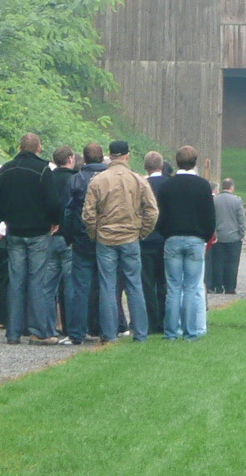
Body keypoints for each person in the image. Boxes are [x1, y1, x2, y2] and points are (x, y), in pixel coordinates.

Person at [82, 140, 159, 342]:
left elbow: (88, 214)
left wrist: (95, 233)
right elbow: (152, 211)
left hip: (105, 238)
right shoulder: (138, 180)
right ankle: (141, 334)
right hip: (131, 237)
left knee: (108, 286)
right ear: (127, 155)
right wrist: (142, 232)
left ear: (110, 155)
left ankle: (109, 334)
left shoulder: (98, 181)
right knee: (134, 285)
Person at [0, 133, 63, 345]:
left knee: (16, 281)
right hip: (38, 232)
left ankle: (13, 332)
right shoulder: (43, 170)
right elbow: (52, 202)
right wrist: (54, 221)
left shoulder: (5, 170)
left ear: (20, 147)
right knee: (37, 281)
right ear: (38, 148)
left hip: (14, 232)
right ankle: (37, 330)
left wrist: (7, 220)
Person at [156, 146, 215, 341]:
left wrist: (165, 233)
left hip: (172, 238)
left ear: (177, 161)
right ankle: (190, 332)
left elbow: (160, 216)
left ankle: (171, 332)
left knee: (173, 287)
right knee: (191, 287)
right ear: (195, 162)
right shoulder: (203, 186)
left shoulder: (166, 186)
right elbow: (209, 217)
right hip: (196, 239)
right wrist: (205, 237)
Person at [64, 143, 106, 344]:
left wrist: (69, 237)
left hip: (82, 239)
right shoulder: (110, 179)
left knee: (80, 287)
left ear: (85, 159)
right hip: (107, 238)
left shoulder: (77, 179)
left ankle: (77, 333)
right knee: (106, 285)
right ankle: (105, 330)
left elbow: (69, 211)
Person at [44, 145, 77, 341]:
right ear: (71, 159)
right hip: (68, 238)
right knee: (71, 285)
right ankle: (71, 328)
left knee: (48, 286)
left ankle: (48, 328)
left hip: (49, 236)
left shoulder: (48, 178)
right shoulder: (74, 179)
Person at [140, 151, 168, 335]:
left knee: (147, 283)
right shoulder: (169, 184)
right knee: (164, 283)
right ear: (162, 166)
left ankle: (150, 322)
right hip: (165, 238)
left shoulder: (141, 185)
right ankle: (164, 322)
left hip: (146, 239)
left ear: (145, 167)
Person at [209, 178, 245, 294]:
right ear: (232, 187)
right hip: (233, 237)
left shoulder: (215, 200)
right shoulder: (237, 201)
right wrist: (241, 234)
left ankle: (218, 286)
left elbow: (211, 219)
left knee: (218, 262)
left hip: (218, 236)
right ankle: (230, 287)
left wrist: (214, 233)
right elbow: (241, 220)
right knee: (232, 263)